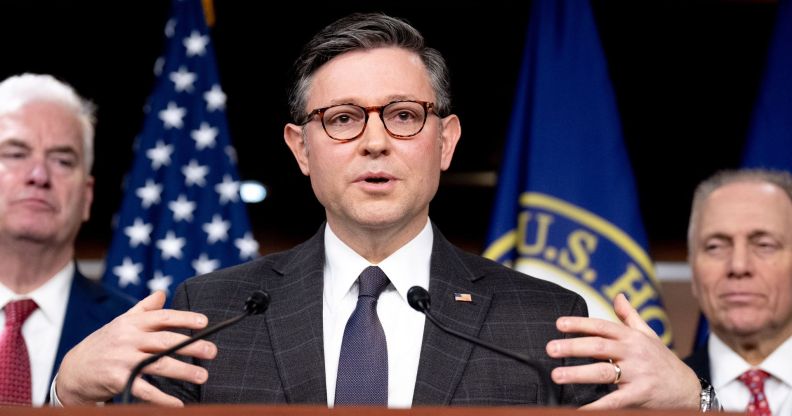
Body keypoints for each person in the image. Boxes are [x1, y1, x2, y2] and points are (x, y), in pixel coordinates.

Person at [53, 13, 704, 410]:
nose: (374, 141)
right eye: (342, 118)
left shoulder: (544, 319)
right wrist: (66, 398)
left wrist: (696, 406)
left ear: (445, 141)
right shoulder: (211, 311)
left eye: (402, 115)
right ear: (300, 148)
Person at [0, 73, 134, 406]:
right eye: (15, 154)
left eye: (62, 161)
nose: (39, 176)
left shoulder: (133, 332)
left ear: (87, 196)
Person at [684, 169, 792, 414]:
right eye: (715, 247)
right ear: (693, 269)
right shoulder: (649, 403)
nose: (738, 266)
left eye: (764, 245)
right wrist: (698, 400)